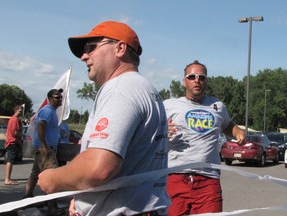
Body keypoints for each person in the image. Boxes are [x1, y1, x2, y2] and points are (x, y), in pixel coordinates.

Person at [38, 20, 170, 216]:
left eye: (91, 48)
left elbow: (98, 167)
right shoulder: (141, 87)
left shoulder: (120, 88)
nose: (84, 56)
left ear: (120, 48)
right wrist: (82, 198)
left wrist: (52, 179)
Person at [164, 60, 245, 215]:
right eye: (192, 76)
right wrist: (161, 130)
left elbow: (228, 125)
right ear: (184, 81)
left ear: (206, 80)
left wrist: (238, 132)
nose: (197, 80)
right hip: (175, 177)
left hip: (208, 181)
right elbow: (147, 130)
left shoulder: (217, 106)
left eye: (201, 77)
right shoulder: (169, 105)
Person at [24, 88, 65, 216]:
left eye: (60, 97)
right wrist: (44, 146)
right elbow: (41, 125)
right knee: (52, 177)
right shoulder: (48, 111)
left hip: (44, 148)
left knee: (35, 174)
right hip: (45, 149)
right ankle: (52, 207)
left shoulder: (51, 111)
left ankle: (27, 197)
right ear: (50, 98)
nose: (60, 99)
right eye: (57, 97)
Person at [4, 105, 23, 185]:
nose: (21, 113)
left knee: (9, 160)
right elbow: (15, 132)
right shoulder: (14, 119)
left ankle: (7, 178)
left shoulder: (12, 119)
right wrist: (21, 135)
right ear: (15, 110)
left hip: (10, 141)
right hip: (13, 142)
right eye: (20, 111)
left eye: (21, 111)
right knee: (10, 161)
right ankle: (7, 179)